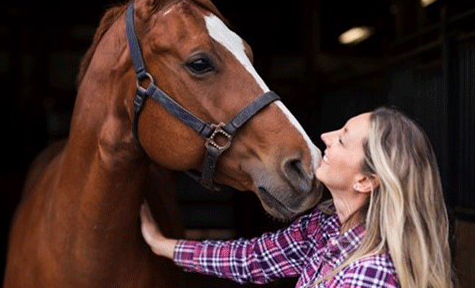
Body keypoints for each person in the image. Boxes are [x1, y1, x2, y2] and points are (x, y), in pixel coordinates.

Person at [139, 107, 454, 288]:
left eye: (342, 140)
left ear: (364, 181)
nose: (325, 138)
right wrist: (162, 244)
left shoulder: (369, 274)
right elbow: (253, 258)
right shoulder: (325, 225)